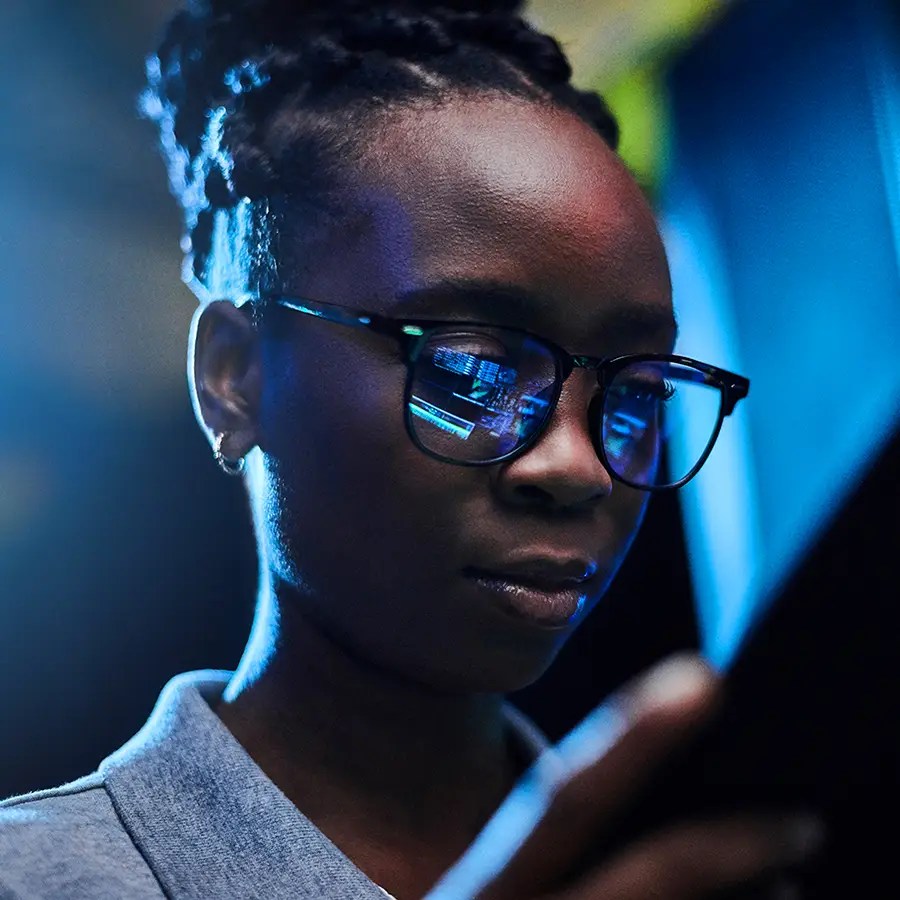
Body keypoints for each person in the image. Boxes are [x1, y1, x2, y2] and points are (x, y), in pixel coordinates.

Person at [0, 1, 820, 897]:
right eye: (470, 375)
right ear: (236, 378)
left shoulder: (724, 870)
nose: (578, 468)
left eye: (637, 394)